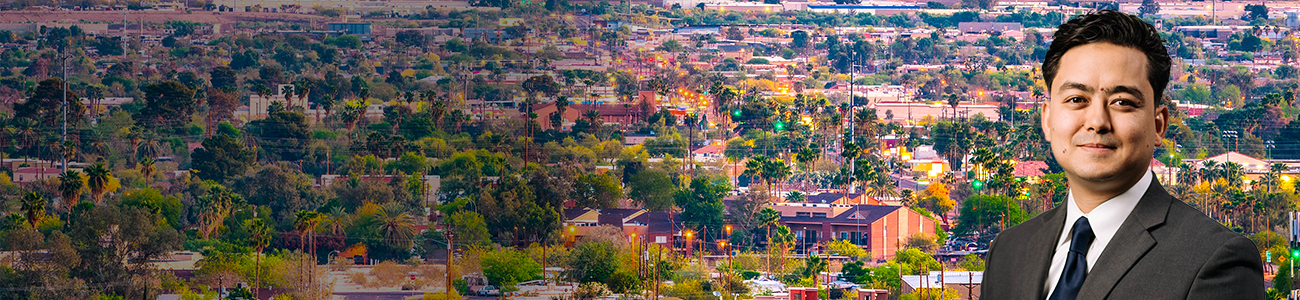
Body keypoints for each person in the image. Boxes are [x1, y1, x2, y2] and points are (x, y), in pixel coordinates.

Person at [980, 10, 1265, 300]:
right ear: (1048, 119)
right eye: (1077, 99)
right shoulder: (1008, 250)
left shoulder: (1217, 261)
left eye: (1122, 102)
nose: (1097, 121)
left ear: (1158, 125)